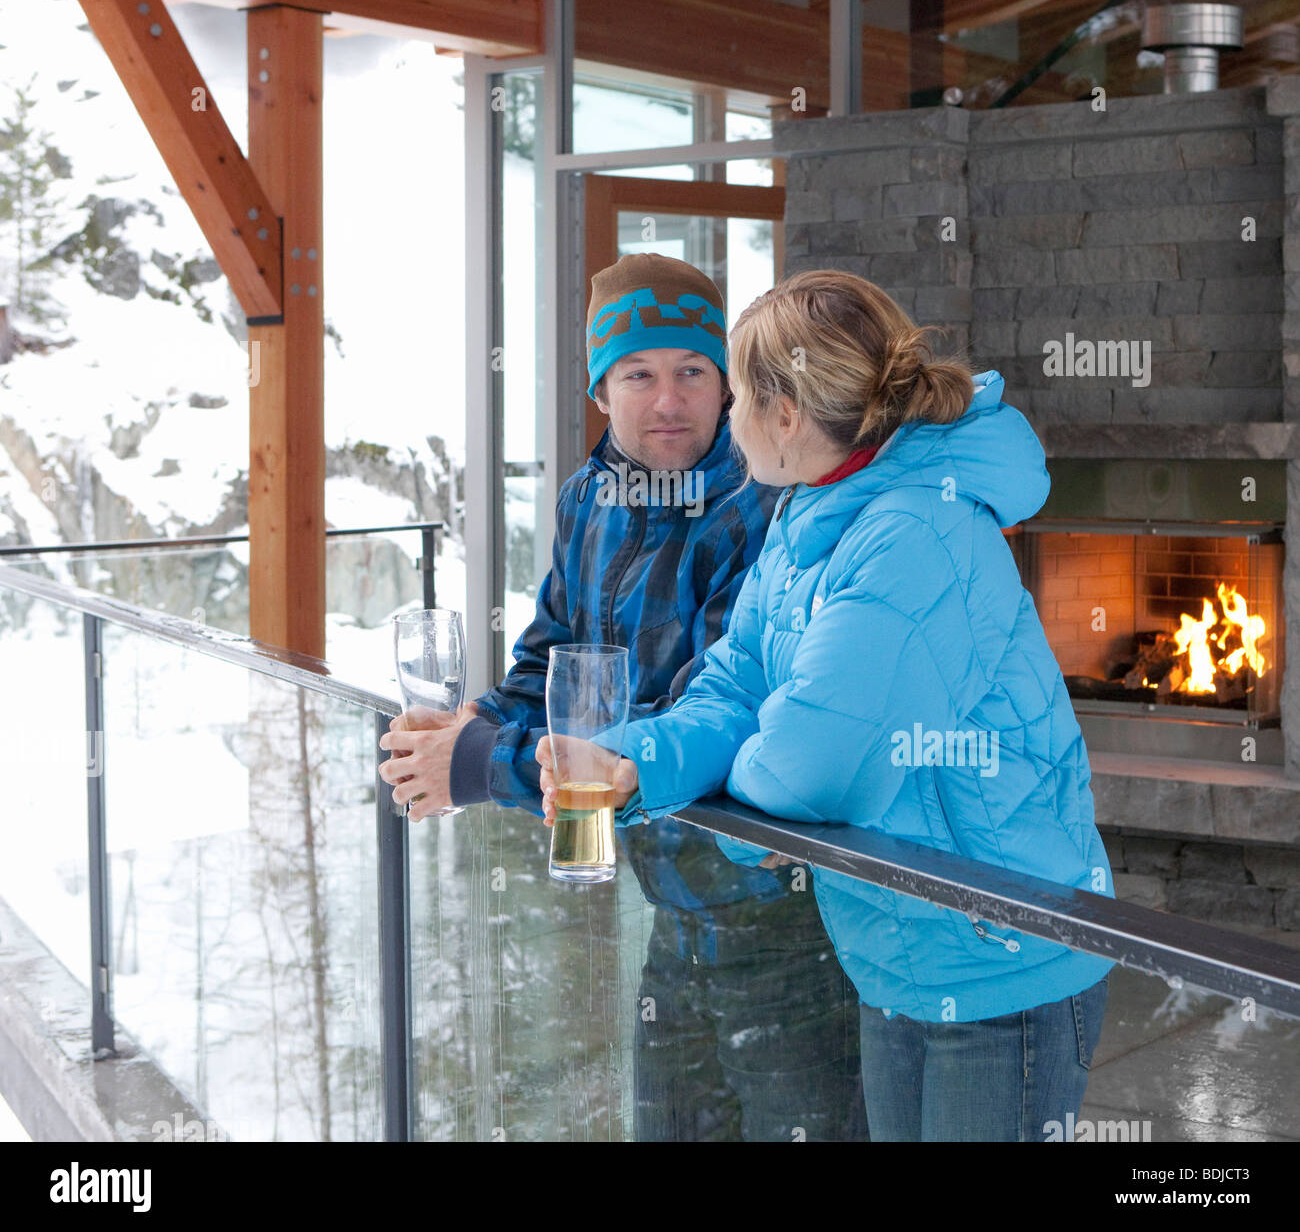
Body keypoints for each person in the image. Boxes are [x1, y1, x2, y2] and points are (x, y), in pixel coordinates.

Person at [540, 267, 1115, 1142]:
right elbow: (736, 686)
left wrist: (740, 775)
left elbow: (815, 772)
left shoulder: (917, 532)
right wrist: (634, 758)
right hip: (896, 952)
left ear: (786, 415)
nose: (724, 418)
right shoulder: (809, 519)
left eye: (734, 396)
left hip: (1002, 958)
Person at [380, 253, 866, 1141]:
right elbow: (549, 661)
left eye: (692, 371)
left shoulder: (765, 509)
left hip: (784, 918)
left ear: (728, 386)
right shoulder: (586, 500)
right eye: (638, 374)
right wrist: (468, 732)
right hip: (674, 911)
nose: (668, 399)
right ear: (602, 390)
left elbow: (706, 720)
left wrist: (488, 768)